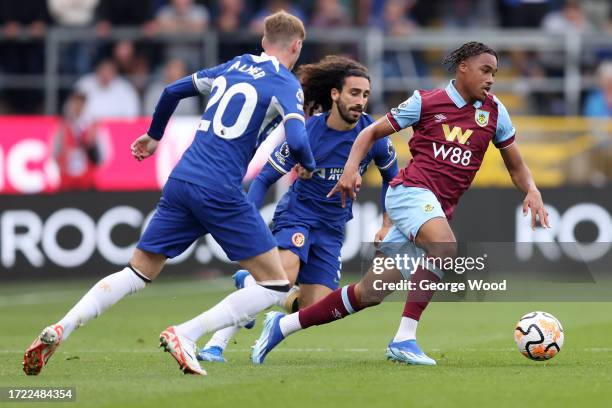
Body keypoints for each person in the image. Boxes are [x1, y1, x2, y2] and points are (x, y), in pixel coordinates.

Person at [23, 11, 315, 377]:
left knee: (137, 271)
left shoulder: (234, 65)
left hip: (182, 179)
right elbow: (299, 139)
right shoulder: (287, 84)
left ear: (262, 42)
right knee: (276, 285)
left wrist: (154, 135)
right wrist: (308, 164)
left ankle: (61, 327)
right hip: (220, 187)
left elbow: (171, 90)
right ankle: (187, 334)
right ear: (296, 46)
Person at [251, 41, 550, 366]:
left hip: (436, 205)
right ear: (463, 67)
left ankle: (282, 326)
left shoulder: (494, 112)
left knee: (370, 293)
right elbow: (370, 134)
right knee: (445, 247)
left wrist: (531, 189)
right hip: (410, 192)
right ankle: (404, 339)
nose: (491, 79)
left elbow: (516, 164)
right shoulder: (426, 102)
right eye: (485, 70)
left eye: (494, 72)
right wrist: (351, 170)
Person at [197, 55, 398, 363]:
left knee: (314, 308)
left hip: (332, 228)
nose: (361, 101)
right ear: (335, 94)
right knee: (279, 279)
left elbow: (392, 180)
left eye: (365, 95)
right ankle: (215, 344)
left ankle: (250, 284)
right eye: (354, 93)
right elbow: (264, 178)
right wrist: (249, 222)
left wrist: (386, 224)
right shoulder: (307, 134)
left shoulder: (375, 136)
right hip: (298, 216)